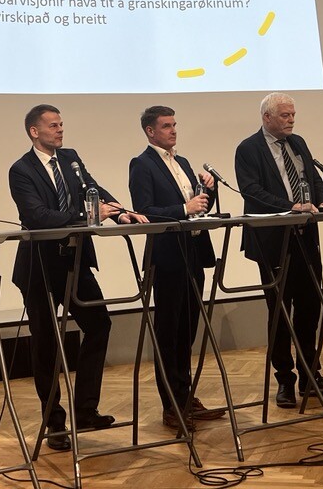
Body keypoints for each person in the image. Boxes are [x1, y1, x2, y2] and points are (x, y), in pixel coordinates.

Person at [9, 104, 147, 450]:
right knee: (46, 343)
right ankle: (54, 422)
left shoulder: (70, 158)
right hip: (40, 267)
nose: (60, 130)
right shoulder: (21, 170)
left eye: (61, 124)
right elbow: (39, 216)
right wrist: (88, 215)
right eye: (53, 125)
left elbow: (93, 190)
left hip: (75, 261)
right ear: (34, 132)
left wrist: (120, 213)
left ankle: (85, 410)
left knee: (99, 324)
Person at [234, 92, 323, 408]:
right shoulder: (248, 148)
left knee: (310, 308)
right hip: (272, 243)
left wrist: (322, 202)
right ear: (267, 117)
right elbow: (251, 191)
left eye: (293, 115)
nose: (291, 120)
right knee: (280, 313)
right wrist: (290, 207)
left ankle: (311, 376)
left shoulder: (298, 143)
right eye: (285, 115)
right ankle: (284, 380)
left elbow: (313, 179)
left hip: (305, 238)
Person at [128, 106, 226, 431]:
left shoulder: (182, 162)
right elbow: (145, 211)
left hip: (194, 252)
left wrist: (208, 190)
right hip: (168, 257)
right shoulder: (142, 164)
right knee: (169, 333)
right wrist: (185, 207)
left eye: (174, 125)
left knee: (188, 330)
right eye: (166, 126)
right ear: (150, 131)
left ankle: (185, 396)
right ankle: (171, 405)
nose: (173, 130)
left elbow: (198, 208)